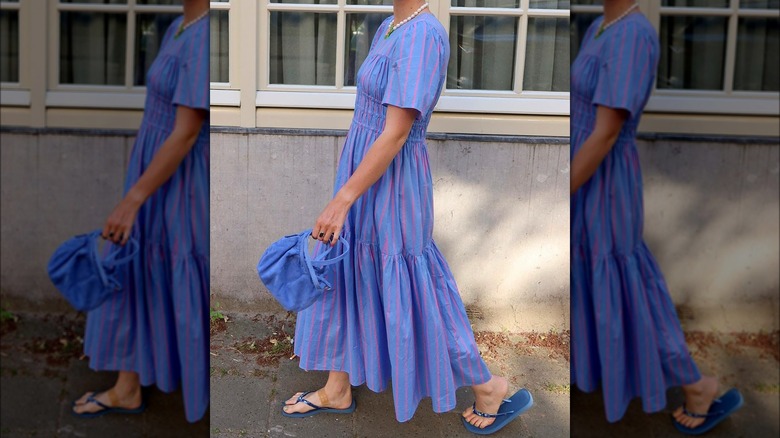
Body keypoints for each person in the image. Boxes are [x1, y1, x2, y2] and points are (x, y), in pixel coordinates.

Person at [277, 0, 533, 434]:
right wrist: (348, 189)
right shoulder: (390, 26)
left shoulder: (423, 36)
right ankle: (337, 388)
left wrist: (342, 199)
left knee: (415, 286)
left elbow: (396, 132)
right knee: (348, 271)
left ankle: (488, 387)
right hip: (365, 171)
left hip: (393, 183)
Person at [570, 0, 742, 434]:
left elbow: (607, 131)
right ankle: (600, 371)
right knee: (589, 278)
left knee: (629, 287)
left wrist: (563, 187)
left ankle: (696, 385)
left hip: (604, 179)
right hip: (584, 166)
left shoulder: (634, 35)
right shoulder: (600, 25)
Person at [70, 0, 210, 423]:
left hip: (178, 181)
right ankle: (128, 386)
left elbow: (186, 133)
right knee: (134, 268)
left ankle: (193, 390)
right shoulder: (180, 25)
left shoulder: (205, 35)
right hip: (153, 168)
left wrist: (132, 200)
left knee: (174, 271)